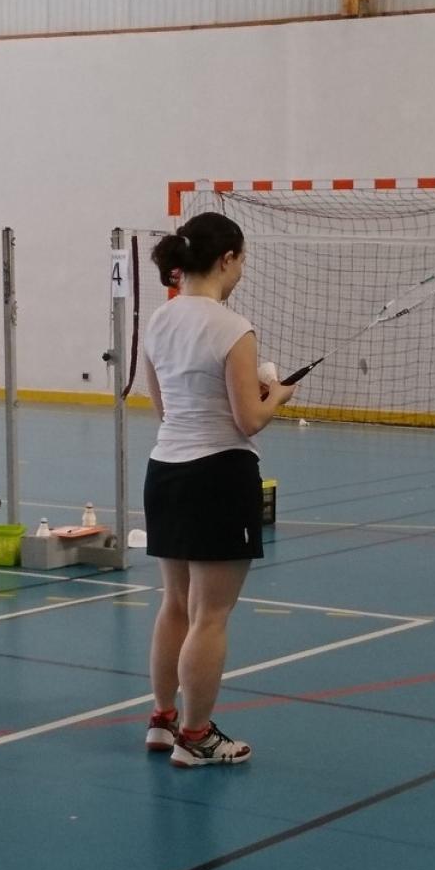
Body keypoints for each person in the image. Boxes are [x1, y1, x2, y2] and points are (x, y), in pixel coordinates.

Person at [140, 212, 296, 768]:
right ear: (227, 259)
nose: (242, 271)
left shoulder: (158, 320)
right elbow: (249, 419)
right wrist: (277, 396)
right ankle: (197, 736)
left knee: (174, 603)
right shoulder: (233, 328)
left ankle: (163, 720)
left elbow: (164, 408)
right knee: (210, 614)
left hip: (165, 470)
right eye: (242, 260)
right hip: (219, 475)